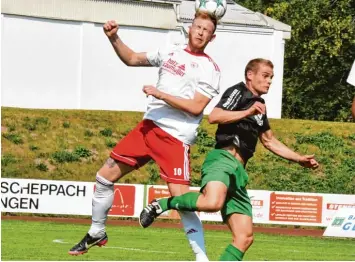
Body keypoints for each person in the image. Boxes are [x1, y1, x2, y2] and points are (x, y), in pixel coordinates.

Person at [68, 11, 220, 261]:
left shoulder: (209, 68)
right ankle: (97, 231)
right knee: (104, 176)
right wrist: (114, 37)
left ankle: (201, 257)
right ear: (190, 28)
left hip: (175, 137)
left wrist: (161, 95)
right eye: (198, 26)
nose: (201, 32)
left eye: (207, 30)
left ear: (212, 37)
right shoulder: (169, 51)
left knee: (182, 202)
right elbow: (131, 58)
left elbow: (196, 107)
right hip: (148, 129)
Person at [139, 58, 319, 261]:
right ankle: (163, 204)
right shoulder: (239, 92)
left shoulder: (260, 105)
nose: (269, 81)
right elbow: (214, 116)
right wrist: (247, 112)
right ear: (250, 75)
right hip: (222, 159)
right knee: (212, 202)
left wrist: (298, 158)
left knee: (244, 238)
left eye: (272, 78)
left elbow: (269, 140)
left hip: (239, 173)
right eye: (265, 76)